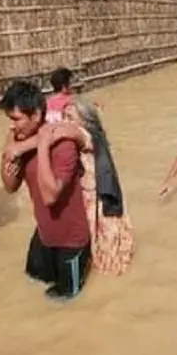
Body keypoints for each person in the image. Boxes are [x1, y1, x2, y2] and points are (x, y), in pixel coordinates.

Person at [0, 80, 91, 301]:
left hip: (71, 242)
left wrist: (41, 146)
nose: (12, 126)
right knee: (30, 284)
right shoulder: (20, 142)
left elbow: (50, 197)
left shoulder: (64, 146)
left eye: (16, 119)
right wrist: (8, 153)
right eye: (9, 119)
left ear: (37, 114)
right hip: (43, 235)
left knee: (67, 302)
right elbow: (10, 187)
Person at [64, 97, 135, 275]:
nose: (65, 122)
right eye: (63, 117)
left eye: (70, 117)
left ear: (86, 120)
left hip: (100, 200)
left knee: (106, 255)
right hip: (93, 197)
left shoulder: (86, 135)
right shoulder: (93, 135)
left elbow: (72, 134)